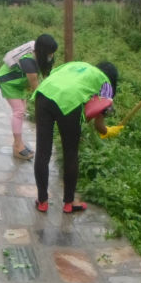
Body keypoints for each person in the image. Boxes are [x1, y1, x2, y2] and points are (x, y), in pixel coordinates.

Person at [31, 61, 123, 214]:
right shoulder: (105, 84)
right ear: (112, 79)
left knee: (42, 151)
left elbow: (54, 75)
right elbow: (99, 125)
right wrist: (110, 131)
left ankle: (42, 201)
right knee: (71, 153)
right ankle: (69, 203)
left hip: (44, 93)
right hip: (69, 101)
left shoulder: (78, 65)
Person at [0, 34, 59, 160]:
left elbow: (46, 76)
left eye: (53, 52)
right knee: (19, 111)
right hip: (9, 82)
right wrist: (47, 106)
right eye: (50, 53)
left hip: (19, 83)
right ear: (42, 51)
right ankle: (17, 146)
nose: (51, 56)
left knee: (22, 110)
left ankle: (18, 143)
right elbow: (36, 89)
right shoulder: (28, 61)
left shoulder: (43, 55)